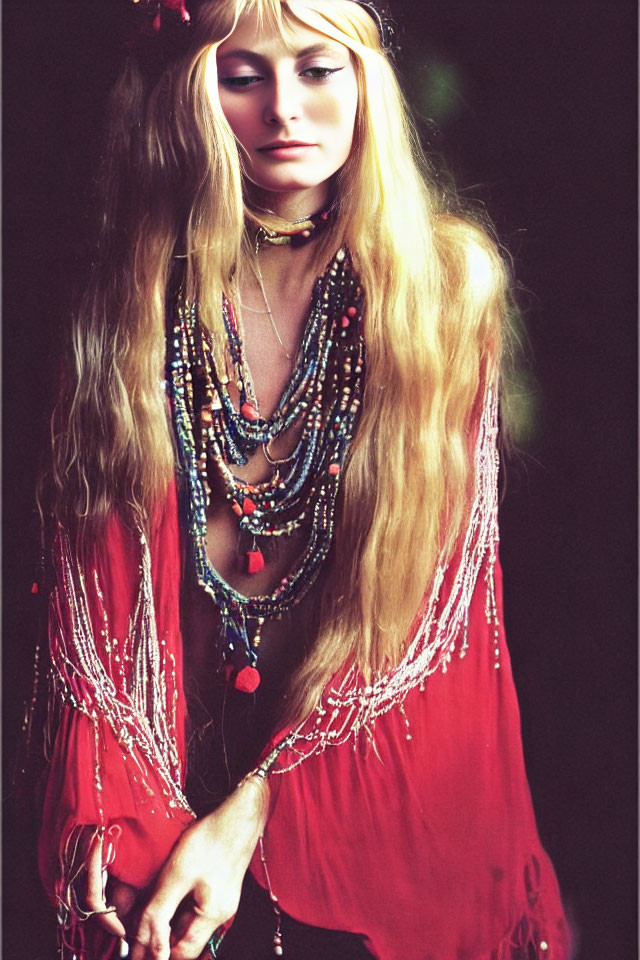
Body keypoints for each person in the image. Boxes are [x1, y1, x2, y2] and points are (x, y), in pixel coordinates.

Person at [36, 1, 573, 958]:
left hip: (361, 777)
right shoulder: (128, 296)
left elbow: (424, 621)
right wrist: (144, 816)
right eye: (244, 77)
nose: (286, 107)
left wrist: (251, 813)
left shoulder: (444, 293)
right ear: (192, 98)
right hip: (165, 778)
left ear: (367, 84)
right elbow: (90, 607)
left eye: (319, 70)